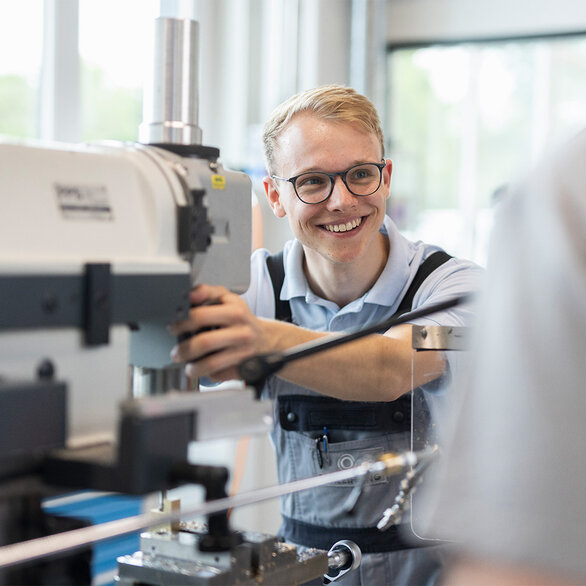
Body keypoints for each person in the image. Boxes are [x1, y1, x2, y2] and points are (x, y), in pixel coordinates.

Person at [169, 84, 482, 585]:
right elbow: (169, 360)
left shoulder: (454, 292)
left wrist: (263, 341)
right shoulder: (256, 290)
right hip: (305, 570)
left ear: (386, 178)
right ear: (275, 196)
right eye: (313, 182)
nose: (342, 201)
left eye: (361, 174)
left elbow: (395, 367)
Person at [419, 130, 586, 586]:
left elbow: (408, 354)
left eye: (360, 175)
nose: (341, 200)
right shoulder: (265, 280)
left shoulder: (453, 282)